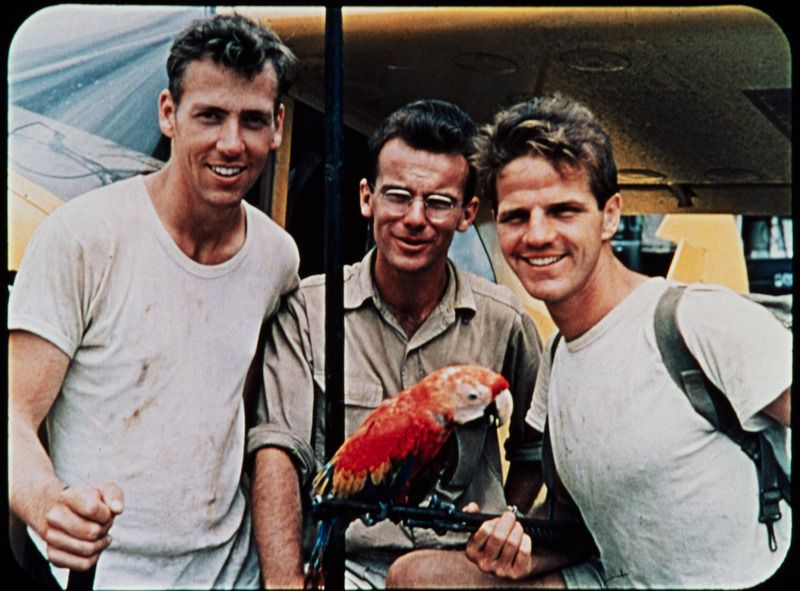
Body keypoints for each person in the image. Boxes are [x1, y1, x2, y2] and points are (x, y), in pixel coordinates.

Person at [390, 94, 792, 588]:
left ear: (609, 216)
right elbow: (572, 528)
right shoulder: (557, 358)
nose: (537, 235)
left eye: (563, 210)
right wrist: (514, 547)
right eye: (517, 216)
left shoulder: (699, 321)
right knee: (420, 576)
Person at [8, 14, 300, 589]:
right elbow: (13, 411)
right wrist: (47, 504)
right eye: (209, 116)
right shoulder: (81, 236)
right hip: (99, 573)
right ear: (168, 112)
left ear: (278, 127)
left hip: (231, 573)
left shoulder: (278, 258)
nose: (231, 143)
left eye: (252, 120)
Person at [247, 99, 544, 588]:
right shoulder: (307, 310)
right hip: (347, 568)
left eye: (439, 202)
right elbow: (277, 451)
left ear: (468, 212)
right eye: (398, 196)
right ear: (367, 198)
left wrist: (505, 521)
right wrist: (286, 582)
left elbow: (534, 449)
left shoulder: (506, 322)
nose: (414, 218)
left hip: (459, 571)